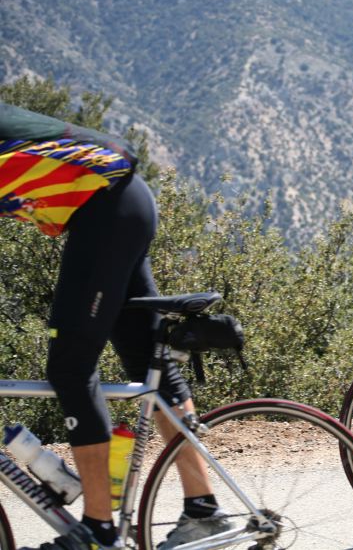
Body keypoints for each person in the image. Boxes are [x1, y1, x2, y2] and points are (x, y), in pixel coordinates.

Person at [0, 100, 231, 549]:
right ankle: (204, 510)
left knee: (70, 366)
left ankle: (98, 531)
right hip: (118, 205)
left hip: (107, 211)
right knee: (147, 357)